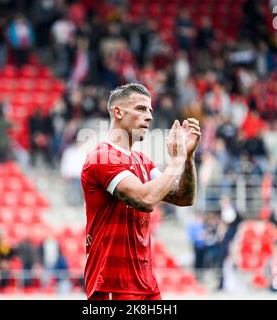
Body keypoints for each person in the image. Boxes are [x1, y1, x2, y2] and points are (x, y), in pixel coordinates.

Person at [81, 83, 201, 300]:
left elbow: (184, 198)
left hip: (146, 284)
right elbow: (145, 199)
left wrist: (188, 160)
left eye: (150, 111)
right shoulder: (101, 157)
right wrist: (177, 159)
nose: (149, 117)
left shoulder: (143, 162)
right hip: (112, 284)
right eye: (141, 109)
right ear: (118, 112)